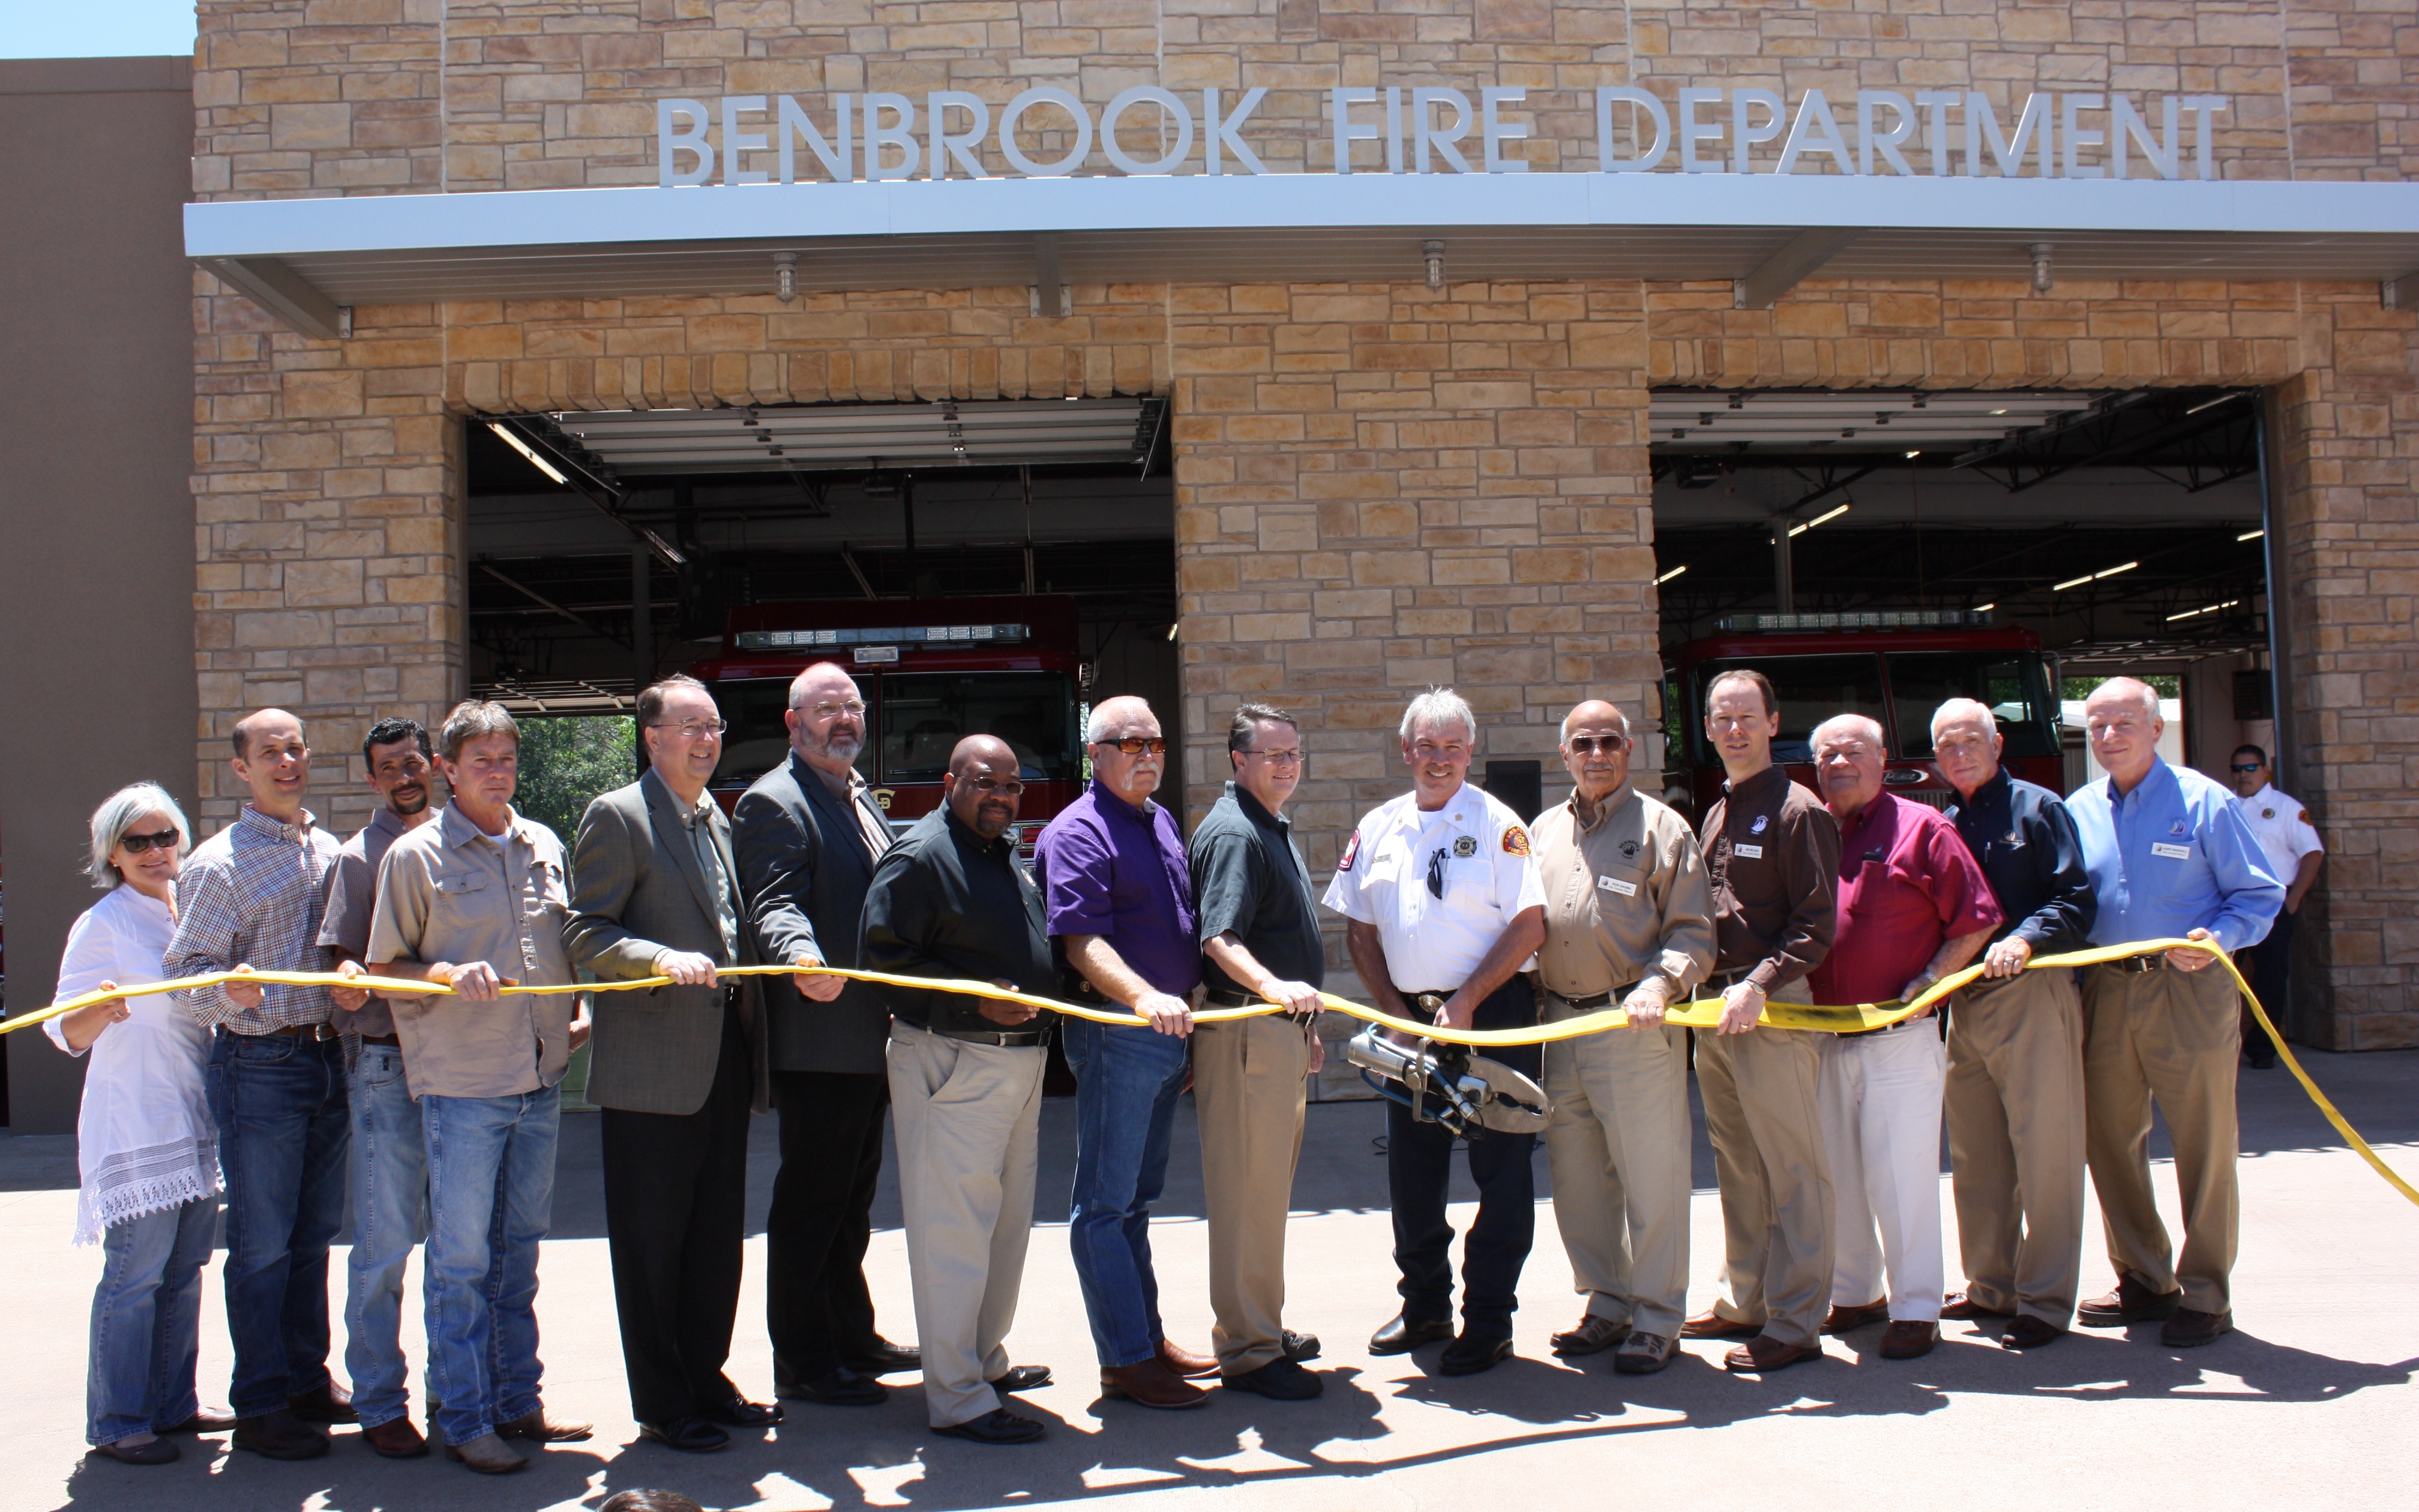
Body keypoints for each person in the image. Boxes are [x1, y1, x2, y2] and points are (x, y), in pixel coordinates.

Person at [358, 701, 592, 1473]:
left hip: (539, 1081)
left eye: (507, 758)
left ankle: (516, 1400)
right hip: (463, 1089)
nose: (498, 771)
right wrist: (445, 974)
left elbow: (561, 944)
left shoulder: (543, 844)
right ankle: (464, 1418)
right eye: (481, 760)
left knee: (517, 1252)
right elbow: (381, 971)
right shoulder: (414, 858)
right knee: (459, 1261)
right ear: (447, 771)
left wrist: (576, 1007)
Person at [565, 676, 778, 1453]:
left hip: (722, 1059)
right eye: (689, 727)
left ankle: (706, 1378)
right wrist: (656, 956)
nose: (706, 740)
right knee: (653, 1246)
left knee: (715, 1239)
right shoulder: (617, 817)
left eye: (714, 726)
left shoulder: (714, 820)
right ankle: (663, 1402)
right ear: (650, 738)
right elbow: (584, 933)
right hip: (652, 1074)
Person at [1323, 687, 1547, 1377]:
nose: (1439, 759)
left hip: (1493, 1015)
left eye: (1452, 747)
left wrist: (1470, 1000)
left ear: (1469, 753)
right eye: (1426, 746)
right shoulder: (1379, 826)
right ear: (1405, 751)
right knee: (1411, 1172)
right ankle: (1423, 1306)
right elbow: (1358, 926)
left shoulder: (1499, 823)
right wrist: (1392, 1010)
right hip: (1408, 1021)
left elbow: (1529, 924)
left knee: (1500, 1172)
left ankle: (1488, 1321)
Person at [163, 708, 366, 1459]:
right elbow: (183, 978)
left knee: (313, 1237)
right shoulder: (218, 864)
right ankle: (261, 1404)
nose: (287, 762)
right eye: (269, 752)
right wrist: (228, 994)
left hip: (326, 1060)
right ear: (240, 769)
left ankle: (306, 1379)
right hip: (259, 1065)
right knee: (261, 1245)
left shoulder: (327, 850)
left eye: (295, 749)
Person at [2067, 677, 2284, 1348]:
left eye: (2123, 722)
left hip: (2187, 989)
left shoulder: (2204, 801)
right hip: (2106, 988)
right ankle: (2143, 1278)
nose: (2109, 736)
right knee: (2109, 1139)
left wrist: (2219, 940)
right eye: (2097, 726)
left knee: (2203, 1142)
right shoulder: (2078, 809)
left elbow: (2256, 894)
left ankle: (2206, 1291)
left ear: (2156, 728)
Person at [861, 735, 1059, 1446]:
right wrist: (974, 1004)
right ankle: (956, 1397)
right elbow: (883, 967)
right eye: (985, 783)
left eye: (1011, 785)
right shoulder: (919, 859)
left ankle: (981, 1361)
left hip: (1018, 1063)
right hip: (952, 1061)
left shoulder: (1001, 851)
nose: (1001, 796)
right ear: (950, 782)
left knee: (1005, 1225)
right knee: (953, 1232)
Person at [732, 662, 918, 1408]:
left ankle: (852, 1335)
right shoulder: (773, 802)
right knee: (811, 1203)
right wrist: (798, 957)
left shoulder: (857, 794)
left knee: (852, 1199)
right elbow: (774, 905)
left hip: (869, 1035)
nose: (843, 720)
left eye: (851, 707)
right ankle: (803, 1360)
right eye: (825, 709)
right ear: (792, 722)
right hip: (820, 1037)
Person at [1035, 694, 1216, 1409]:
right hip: (1118, 1037)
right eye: (1129, 742)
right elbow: (1082, 944)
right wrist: (1144, 999)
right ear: (1095, 753)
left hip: (1167, 1038)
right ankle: (1125, 1360)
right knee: (1104, 1207)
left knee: (1138, 1201)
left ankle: (1144, 1337)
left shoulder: (1159, 821)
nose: (1146, 755)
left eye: (1155, 743)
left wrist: (1185, 1022)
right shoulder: (1077, 833)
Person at [1804, 715, 2001, 1362]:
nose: (1838, 762)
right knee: (1842, 1174)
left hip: (1898, 1035)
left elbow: (1976, 920)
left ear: (1882, 759)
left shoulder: (1923, 828)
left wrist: (1930, 979)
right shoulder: (1814, 833)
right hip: (1824, 1037)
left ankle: (1916, 1306)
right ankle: (1856, 1294)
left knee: (1901, 1179)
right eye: (1826, 754)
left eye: (1852, 751)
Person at [45, 784, 231, 1465]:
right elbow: (65, 1029)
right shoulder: (105, 924)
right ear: (112, 855)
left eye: (166, 838)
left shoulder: (192, 913)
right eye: (138, 842)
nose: (156, 852)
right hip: (137, 1122)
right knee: (135, 1275)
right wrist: (102, 1008)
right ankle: (120, 1419)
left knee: (184, 1270)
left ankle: (172, 1403)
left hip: (193, 1114)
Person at [1531, 700, 1715, 1378]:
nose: (1596, 752)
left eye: (1609, 740)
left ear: (1628, 749)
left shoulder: (1663, 829)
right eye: (1583, 742)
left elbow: (1693, 932)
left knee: (1651, 1178)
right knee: (1577, 1180)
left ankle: (1658, 1317)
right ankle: (1606, 1303)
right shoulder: (1542, 833)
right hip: (1559, 1027)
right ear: (1564, 755)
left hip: (1632, 1027)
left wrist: (1658, 986)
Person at [1681, 670, 1841, 1373]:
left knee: (1793, 1167)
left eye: (1747, 716)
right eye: (1722, 718)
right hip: (1715, 1012)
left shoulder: (1797, 810)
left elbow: (1815, 923)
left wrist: (1756, 985)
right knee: (1737, 1164)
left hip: (1770, 1009)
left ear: (1773, 724)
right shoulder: (1718, 809)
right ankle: (1743, 1300)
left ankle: (1798, 1318)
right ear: (1708, 729)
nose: (1734, 729)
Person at [1187, 703, 1329, 1402]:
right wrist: (1276, 993)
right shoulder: (1236, 833)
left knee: (1265, 1194)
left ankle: (1261, 1327)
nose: (1285, 765)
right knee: (1247, 1195)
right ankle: (1246, 1349)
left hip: (1273, 1033)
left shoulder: (1268, 827)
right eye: (1272, 754)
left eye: (1294, 754)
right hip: (1245, 1031)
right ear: (1237, 762)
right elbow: (1219, 938)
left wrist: (1301, 1028)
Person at [314, 716, 439, 1457]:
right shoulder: (358, 859)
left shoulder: (461, 845)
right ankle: (379, 1401)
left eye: (412, 761)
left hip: (463, 1067)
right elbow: (340, 967)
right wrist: (351, 983)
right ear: (370, 781)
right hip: (386, 1063)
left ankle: (461, 1394)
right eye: (387, 768)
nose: (403, 776)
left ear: (434, 765)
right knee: (387, 1240)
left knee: (464, 1246)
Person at [2226, 743, 2324, 1068]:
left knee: (2269, 978)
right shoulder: (2223, 805)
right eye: (2238, 769)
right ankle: (2222, 1045)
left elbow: (2312, 852)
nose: (2243, 775)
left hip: (2273, 903)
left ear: (2266, 770)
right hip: (2231, 904)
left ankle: (2263, 1049)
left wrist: (2294, 899)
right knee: (2222, 977)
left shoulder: (2286, 808)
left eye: (2250, 768)